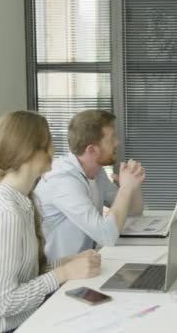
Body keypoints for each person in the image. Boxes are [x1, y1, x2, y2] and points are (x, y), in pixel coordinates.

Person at [0, 111, 101, 333]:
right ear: (29, 151)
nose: (54, 149)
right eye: (48, 142)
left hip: (19, 320)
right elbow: (2, 302)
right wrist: (63, 274)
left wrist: (66, 263)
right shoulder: (7, 214)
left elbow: (23, 274)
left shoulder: (21, 199)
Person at [34, 110, 145, 261]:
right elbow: (107, 236)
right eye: (111, 138)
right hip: (60, 277)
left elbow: (134, 211)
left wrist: (134, 184)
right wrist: (124, 189)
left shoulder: (96, 172)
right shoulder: (63, 181)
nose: (117, 142)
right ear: (91, 150)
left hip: (85, 265)